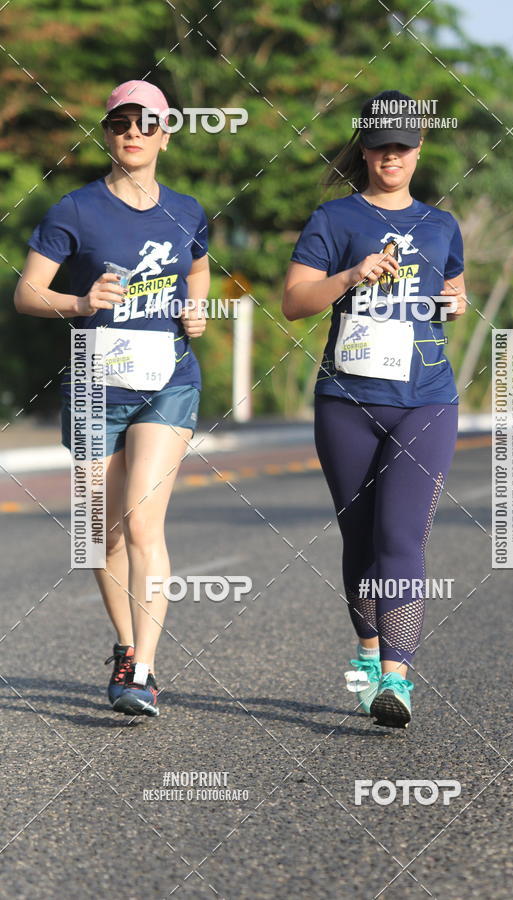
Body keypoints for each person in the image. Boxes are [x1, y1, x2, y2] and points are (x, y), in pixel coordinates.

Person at [14, 80, 210, 718]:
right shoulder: (75, 210)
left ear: (165, 132)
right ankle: (126, 649)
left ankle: (145, 672)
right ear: (107, 132)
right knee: (102, 534)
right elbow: (26, 295)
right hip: (96, 385)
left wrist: (196, 305)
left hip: (168, 383)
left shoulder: (187, 209)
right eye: (121, 122)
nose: (133, 132)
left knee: (144, 521)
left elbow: (199, 265)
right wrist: (79, 302)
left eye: (146, 123)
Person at [282, 90, 467, 728]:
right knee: (359, 537)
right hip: (348, 401)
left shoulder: (442, 225)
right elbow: (295, 303)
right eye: (381, 145)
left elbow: (450, 295)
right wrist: (351, 277)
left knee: (400, 536)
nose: (393, 155)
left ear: (418, 152)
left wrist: (454, 306)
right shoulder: (334, 219)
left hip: (426, 400)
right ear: (364, 149)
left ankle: (396, 677)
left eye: (404, 146)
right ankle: (366, 650)